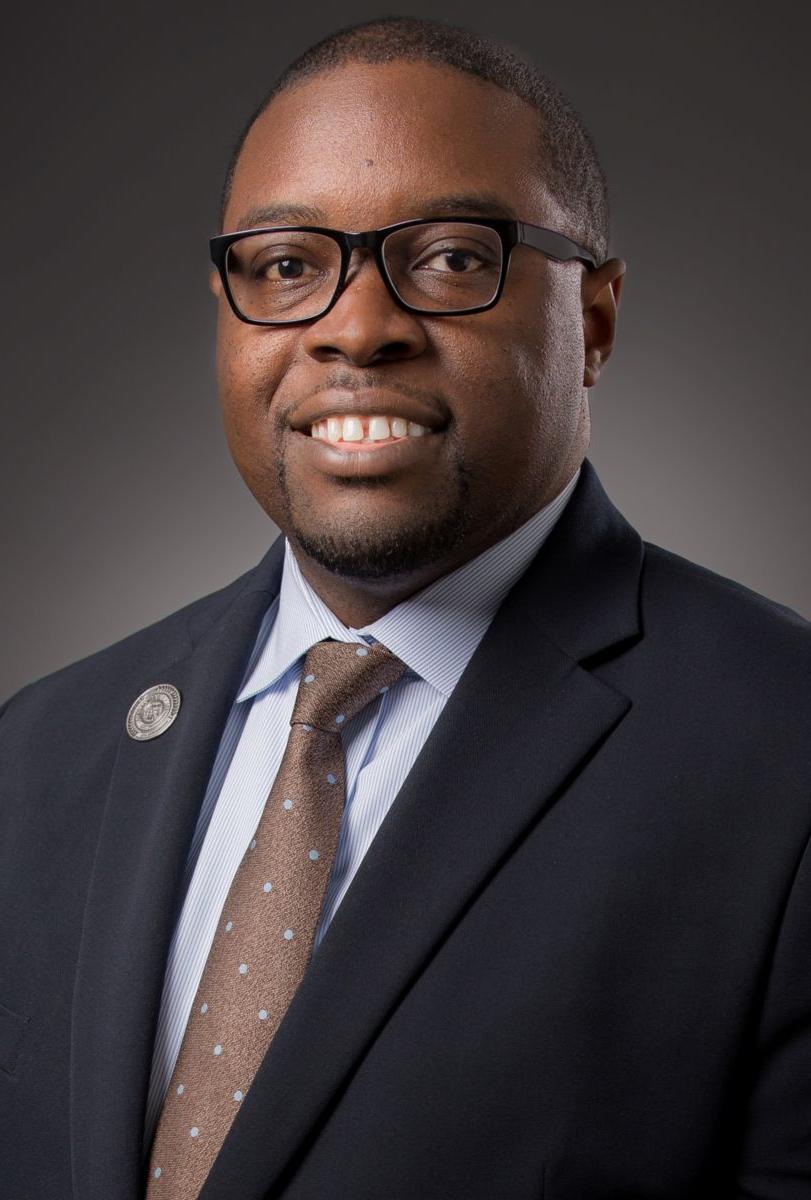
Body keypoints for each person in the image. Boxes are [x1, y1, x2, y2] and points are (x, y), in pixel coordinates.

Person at [1, 15, 810, 1200]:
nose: (355, 326)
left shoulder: (781, 759)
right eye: (285, 265)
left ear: (592, 320)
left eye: (446, 257)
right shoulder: (36, 758)